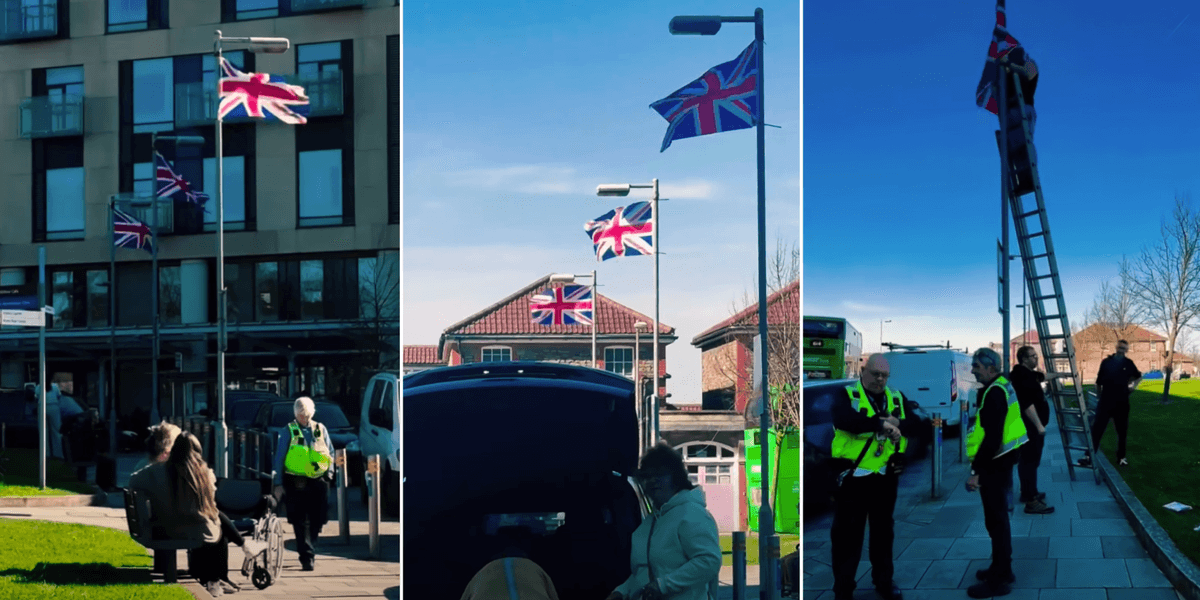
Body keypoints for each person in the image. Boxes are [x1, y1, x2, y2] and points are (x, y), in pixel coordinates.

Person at [827, 354, 917, 600]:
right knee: (847, 537)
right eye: (876, 374)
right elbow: (845, 420)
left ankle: (884, 581)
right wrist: (881, 424)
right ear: (863, 371)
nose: (880, 380)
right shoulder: (847, 395)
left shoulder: (896, 397)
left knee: (883, 533)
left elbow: (916, 425)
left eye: (885, 376)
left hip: (885, 478)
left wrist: (897, 425)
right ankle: (843, 589)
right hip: (854, 477)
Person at [130, 422, 266, 582]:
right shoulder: (203, 475)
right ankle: (219, 576)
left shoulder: (151, 473)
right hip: (194, 532)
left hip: (162, 530)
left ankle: (223, 569)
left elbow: (133, 481)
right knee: (215, 522)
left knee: (211, 521)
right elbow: (211, 509)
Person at [606, 443, 721, 600]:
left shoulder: (691, 513)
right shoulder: (650, 522)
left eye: (659, 474)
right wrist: (621, 591)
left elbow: (709, 560)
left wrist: (663, 585)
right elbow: (643, 572)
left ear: (676, 477)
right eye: (646, 476)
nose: (652, 481)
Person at [964, 348, 1029, 599]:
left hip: (994, 465)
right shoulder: (1001, 385)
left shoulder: (994, 393)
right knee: (997, 521)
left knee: (996, 522)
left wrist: (975, 472)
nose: (972, 370)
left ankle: (1000, 579)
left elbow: (992, 438)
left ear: (991, 368)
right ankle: (1001, 568)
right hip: (1001, 462)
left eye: (976, 366)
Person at [272, 396, 334, 572]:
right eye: (300, 416)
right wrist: (278, 483)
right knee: (300, 521)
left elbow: (329, 451)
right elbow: (280, 457)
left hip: (318, 481)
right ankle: (306, 556)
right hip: (295, 481)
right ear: (295, 414)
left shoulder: (320, 428)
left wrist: (329, 473)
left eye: (306, 415)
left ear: (312, 413)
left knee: (318, 519)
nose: (304, 419)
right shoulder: (288, 430)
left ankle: (310, 547)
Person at [1080, 339, 1142, 468]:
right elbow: (1098, 382)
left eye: (1124, 348)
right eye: (1120, 347)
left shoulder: (1129, 363)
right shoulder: (1106, 362)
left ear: (1127, 350)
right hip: (1106, 402)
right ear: (1116, 347)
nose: (1121, 350)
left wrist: (1133, 386)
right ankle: (1088, 456)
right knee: (1097, 430)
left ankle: (1121, 458)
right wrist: (1098, 398)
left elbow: (1138, 376)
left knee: (1122, 432)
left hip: (1122, 402)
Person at [1010, 346, 1053, 514]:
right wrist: (1039, 426)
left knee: (1030, 461)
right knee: (1029, 461)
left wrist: (1064, 375)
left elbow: (1043, 376)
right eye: (1033, 356)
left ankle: (1029, 492)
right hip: (1030, 428)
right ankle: (1030, 501)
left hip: (1030, 427)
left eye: (1036, 356)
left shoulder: (1026, 374)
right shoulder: (1022, 376)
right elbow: (1027, 404)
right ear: (1024, 359)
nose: (1036, 359)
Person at [33, 378, 63, 460]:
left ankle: (46, 453)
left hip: (42, 406)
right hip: (53, 406)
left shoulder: (39, 386)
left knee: (43, 431)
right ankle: (58, 454)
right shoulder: (55, 386)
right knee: (56, 430)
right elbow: (59, 396)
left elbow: (36, 397)